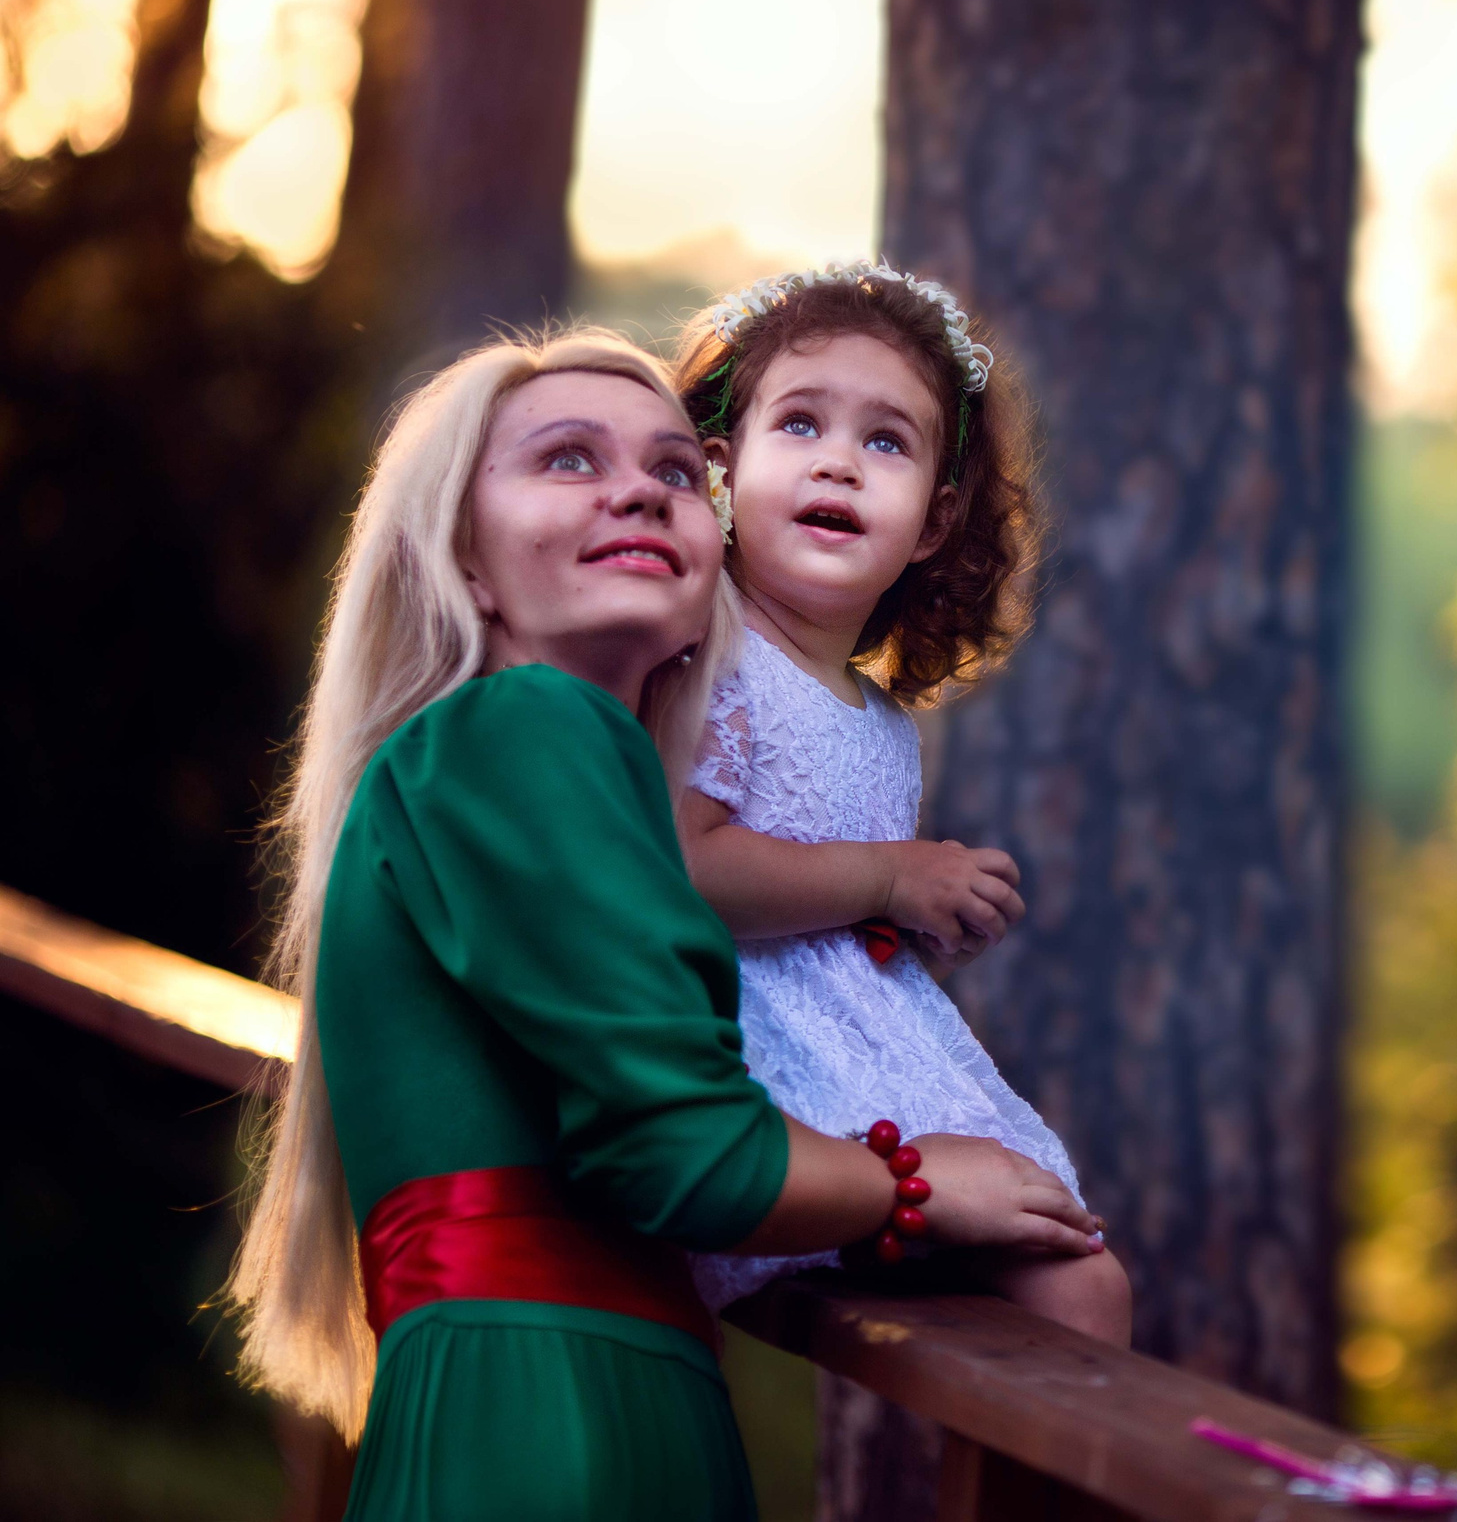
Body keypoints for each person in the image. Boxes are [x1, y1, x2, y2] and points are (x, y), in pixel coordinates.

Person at [225, 331, 1102, 1520]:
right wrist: (914, 1183)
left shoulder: (555, 773)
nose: (637, 487)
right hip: (545, 1431)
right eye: (566, 461)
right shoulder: (520, 727)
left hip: (612, 1401)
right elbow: (681, 1151)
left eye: (676, 473)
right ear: (467, 562)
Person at [672, 264, 1130, 1342]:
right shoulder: (711, 657)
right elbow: (682, 869)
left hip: (866, 1054)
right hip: (761, 1082)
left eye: (887, 442)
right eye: (800, 423)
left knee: (1082, 1284)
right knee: (1070, 1286)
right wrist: (888, 875)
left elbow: (818, 906)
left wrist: (904, 924)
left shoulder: (881, 721)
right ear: (721, 472)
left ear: (933, 521)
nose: (839, 458)